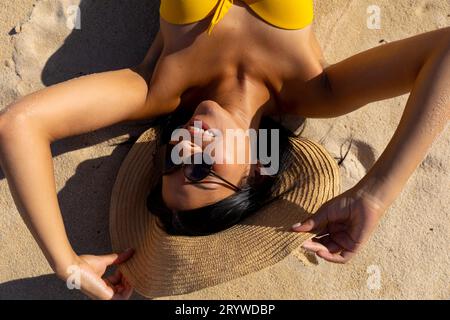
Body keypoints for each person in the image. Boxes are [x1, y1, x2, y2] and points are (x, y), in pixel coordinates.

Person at [0, 0, 448, 299]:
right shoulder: (316, 90)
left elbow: (19, 126)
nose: (185, 146)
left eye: (173, 161)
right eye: (200, 170)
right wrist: (374, 194)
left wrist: (67, 264)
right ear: (256, 168)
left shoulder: (157, 88)